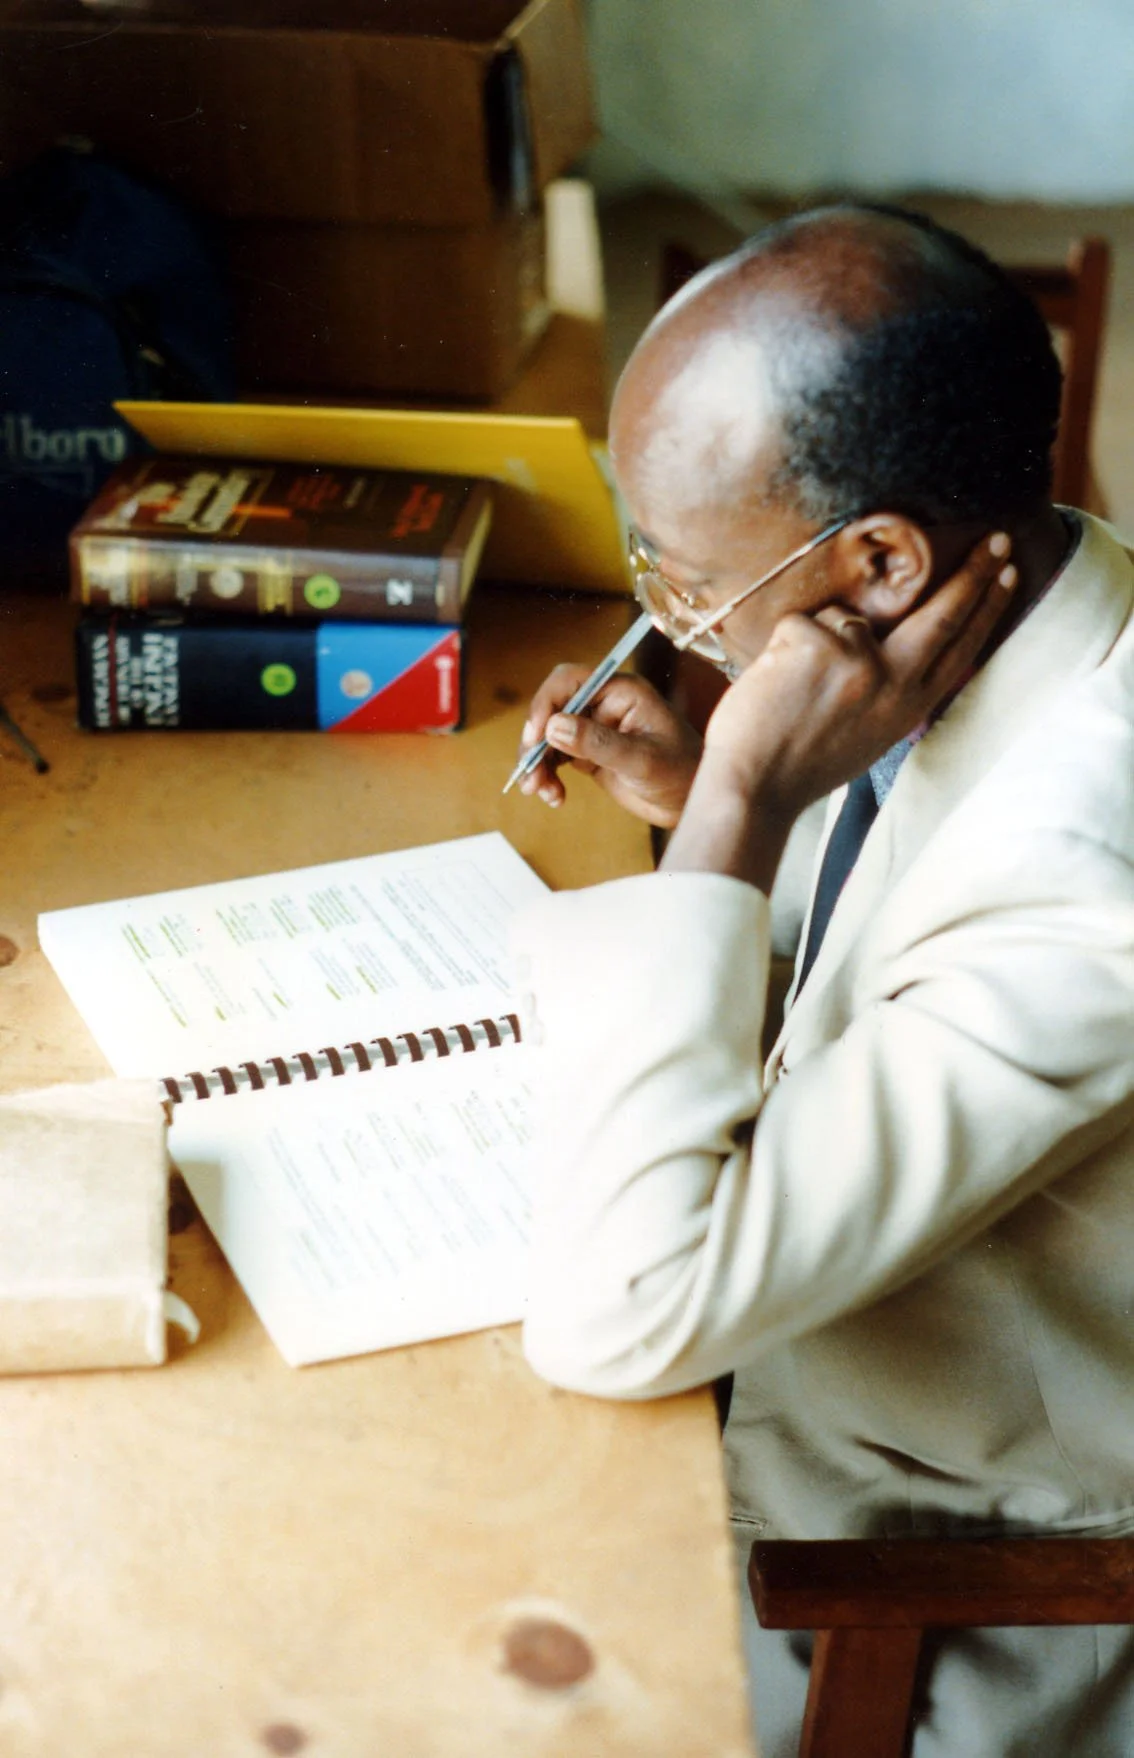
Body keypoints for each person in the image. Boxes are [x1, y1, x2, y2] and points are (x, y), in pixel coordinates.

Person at [510, 204, 1134, 1758]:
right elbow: (908, 934)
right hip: (830, 1349)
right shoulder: (1047, 592)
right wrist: (722, 820)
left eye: (691, 583)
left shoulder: (1090, 878)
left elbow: (627, 1314)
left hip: (899, 1550)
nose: (663, 616)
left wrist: (736, 806)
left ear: (876, 563)